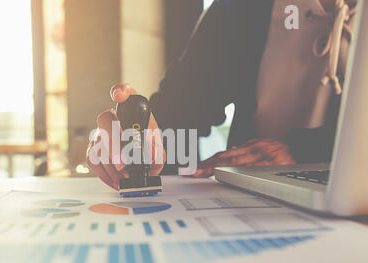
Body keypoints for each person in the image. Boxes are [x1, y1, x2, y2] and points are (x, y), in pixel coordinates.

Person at [87, 0, 357, 190]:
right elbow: (174, 117)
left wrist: (304, 152)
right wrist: (129, 135)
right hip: (252, 207)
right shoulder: (239, 9)